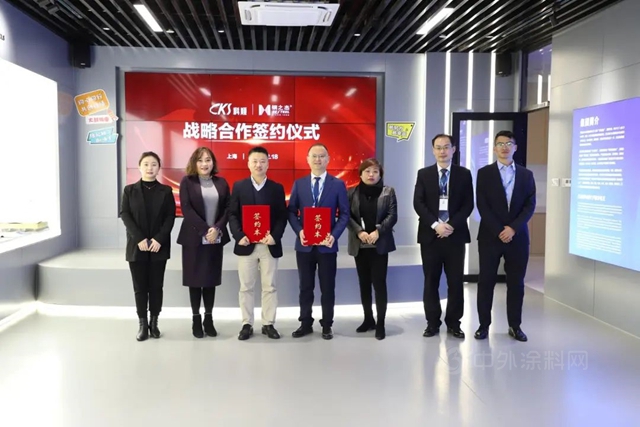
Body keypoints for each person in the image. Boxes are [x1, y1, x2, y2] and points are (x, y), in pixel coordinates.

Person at [475, 130, 536, 342]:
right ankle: (483, 325)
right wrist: (499, 230)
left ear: (515, 147)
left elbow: (530, 205)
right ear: (494, 148)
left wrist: (513, 229)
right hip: (490, 237)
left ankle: (515, 326)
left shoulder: (526, 175)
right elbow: (482, 204)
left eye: (508, 143)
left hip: (517, 238)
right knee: (486, 282)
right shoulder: (484, 173)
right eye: (500, 144)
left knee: (516, 283)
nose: (504, 147)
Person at [413, 134, 474, 339]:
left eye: (446, 147)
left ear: (453, 149)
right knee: (431, 281)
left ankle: (454, 323)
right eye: (438, 147)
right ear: (433, 150)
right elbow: (418, 203)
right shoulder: (424, 174)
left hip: (455, 236)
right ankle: (432, 323)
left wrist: (450, 225)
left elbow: (468, 204)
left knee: (455, 282)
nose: (442, 151)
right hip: (430, 236)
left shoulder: (464, 174)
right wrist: (436, 225)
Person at [288, 143, 349, 340]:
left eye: (322, 156)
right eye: (314, 156)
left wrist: (334, 235)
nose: (318, 159)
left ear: (328, 159)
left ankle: (327, 324)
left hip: (327, 245)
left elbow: (344, 214)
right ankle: (305, 323)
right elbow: (292, 211)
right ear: (307, 159)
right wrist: (299, 231)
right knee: (305, 287)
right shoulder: (299, 184)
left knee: (327, 287)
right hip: (305, 245)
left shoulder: (337, 184)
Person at [228, 146, 288, 341]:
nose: (258, 165)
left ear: (268, 164)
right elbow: (232, 214)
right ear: (248, 163)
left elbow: (282, 216)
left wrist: (275, 236)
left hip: (269, 244)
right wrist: (239, 235)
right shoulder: (239, 186)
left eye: (262, 161)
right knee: (246, 286)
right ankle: (247, 324)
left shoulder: (276, 188)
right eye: (254, 161)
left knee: (270, 286)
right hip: (246, 244)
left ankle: (268, 323)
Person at [120, 151, 176, 341]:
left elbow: (170, 217)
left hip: (159, 247)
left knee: (156, 286)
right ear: (139, 167)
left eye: (153, 164)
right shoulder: (129, 190)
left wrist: (159, 239)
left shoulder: (166, 191)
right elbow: (125, 215)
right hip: (137, 246)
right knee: (140, 287)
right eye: (146, 164)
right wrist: (139, 239)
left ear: (159, 168)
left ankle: (154, 322)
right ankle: (142, 324)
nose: (149, 168)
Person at [177, 147, 230, 339]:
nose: (204, 164)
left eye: (208, 160)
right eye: (200, 160)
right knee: (195, 280)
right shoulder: (187, 182)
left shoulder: (221, 183)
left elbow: (228, 208)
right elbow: (187, 209)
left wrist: (216, 229)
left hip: (215, 239)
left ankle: (209, 318)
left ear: (213, 162)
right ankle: (196, 319)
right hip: (193, 239)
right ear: (194, 162)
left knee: (210, 280)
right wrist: (205, 230)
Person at [346, 158, 397, 340]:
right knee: (364, 283)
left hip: (379, 245)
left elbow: (392, 215)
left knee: (379, 284)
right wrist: (359, 232)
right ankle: (368, 319)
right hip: (360, 245)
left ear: (380, 175)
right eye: (367, 171)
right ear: (360, 174)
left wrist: (378, 231)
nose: (371, 175)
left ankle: (380, 323)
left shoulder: (388, 192)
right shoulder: (351, 193)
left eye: (375, 171)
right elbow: (347, 216)